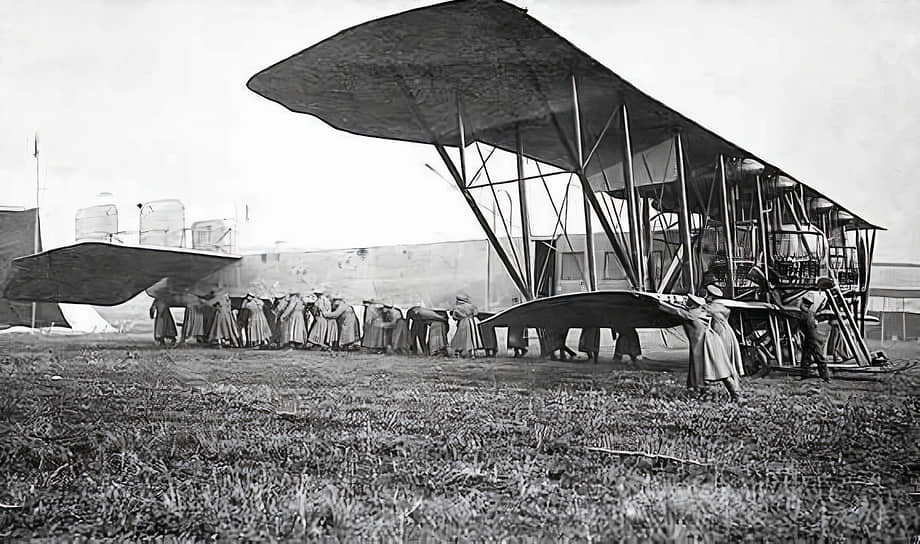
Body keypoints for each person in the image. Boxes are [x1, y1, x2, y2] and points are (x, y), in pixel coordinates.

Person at [658, 294, 740, 401]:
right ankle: (705, 394)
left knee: (721, 371)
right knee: (706, 370)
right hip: (707, 343)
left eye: (689, 302)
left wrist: (659, 304)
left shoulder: (693, 314)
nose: (687, 303)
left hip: (709, 344)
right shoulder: (703, 312)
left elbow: (678, 312)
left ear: (694, 304)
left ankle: (736, 395)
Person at [704, 285, 745, 382]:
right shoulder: (724, 308)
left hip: (721, 334)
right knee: (730, 360)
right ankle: (734, 380)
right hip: (729, 333)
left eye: (707, 295)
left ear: (712, 297)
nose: (706, 298)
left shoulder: (711, 308)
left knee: (723, 359)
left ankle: (731, 383)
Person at [795, 295, 830, 382]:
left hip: (812, 338)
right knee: (806, 356)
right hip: (811, 336)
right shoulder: (810, 313)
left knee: (819, 357)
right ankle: (804, 374)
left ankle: (826, 377)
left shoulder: (803, 314)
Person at [449, 293, 482, 358]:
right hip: (472, 322)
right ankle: (472, 351)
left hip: (463, 323)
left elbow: (454, 317)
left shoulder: (457, 307)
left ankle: (461, 350)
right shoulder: (472, 306)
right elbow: (476, 313)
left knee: (461, 337)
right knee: (472, 336)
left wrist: (460, 316)